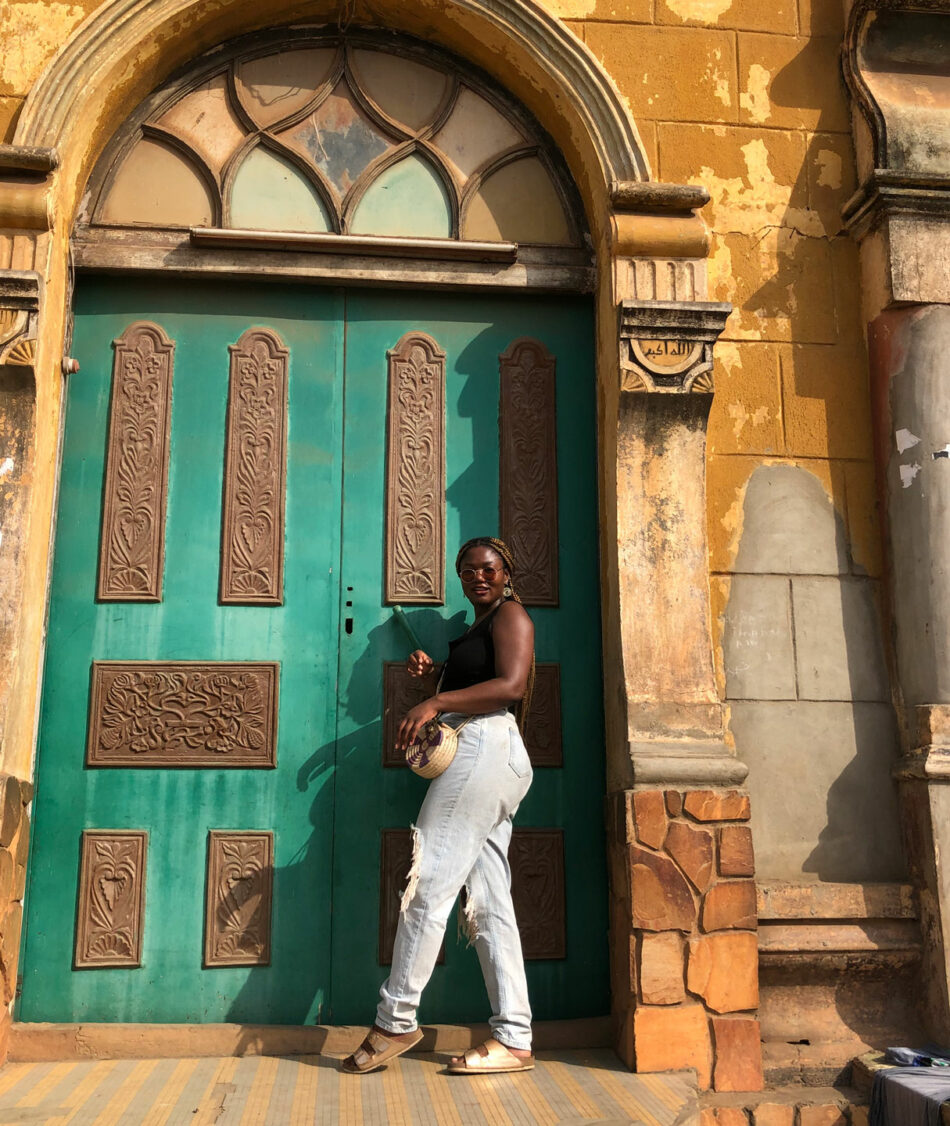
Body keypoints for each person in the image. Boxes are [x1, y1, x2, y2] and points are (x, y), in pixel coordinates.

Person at [342, 537, 536, 1075]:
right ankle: (514, 1036)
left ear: (506, 572)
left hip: (485, 751)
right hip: (488, 756)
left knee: (428, 886)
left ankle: (395, 1020)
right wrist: (438, 678)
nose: (479, 576)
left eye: (489, 568)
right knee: (490, 904)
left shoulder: (511, 615)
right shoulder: (476, 628)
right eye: (469, 569)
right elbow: (481, 683)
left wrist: (435, 700)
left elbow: (511, 686)